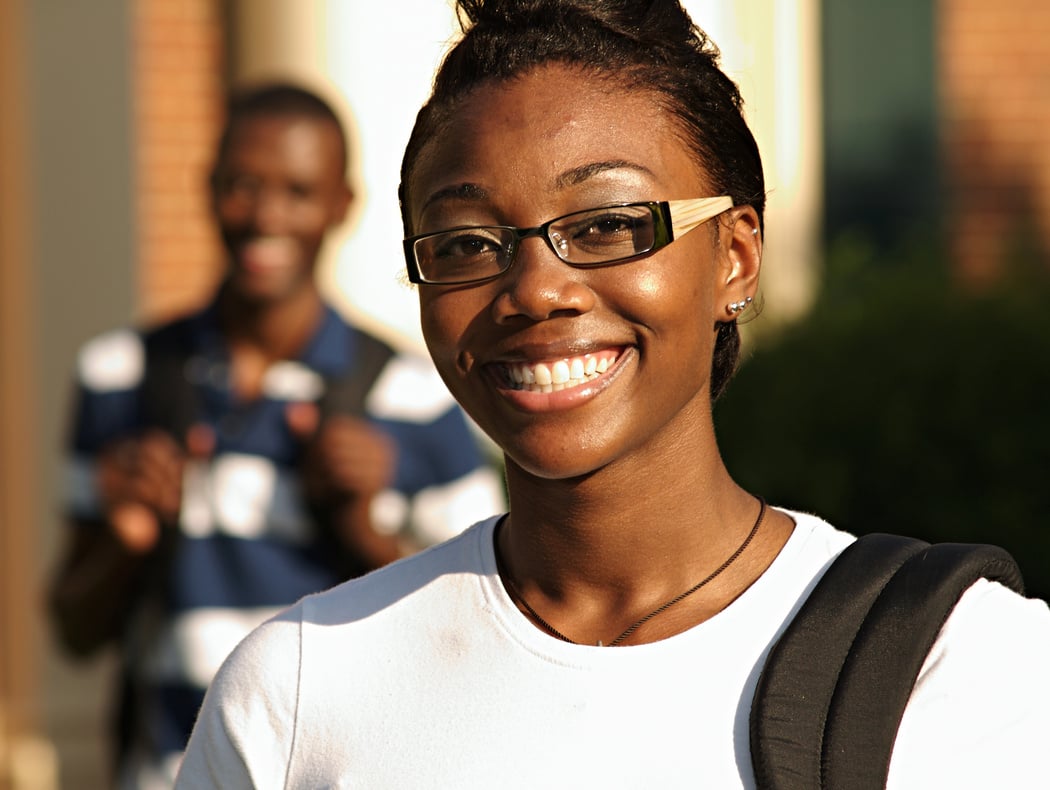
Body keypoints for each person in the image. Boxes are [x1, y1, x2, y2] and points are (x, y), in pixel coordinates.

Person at [174, 2, 1050, 787]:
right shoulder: (297, 690)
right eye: (467, 242)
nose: (535, 290)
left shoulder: (949, 664)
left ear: (735, 259)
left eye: (606, 226)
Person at [47, 82, 505, 789]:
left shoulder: (419, 394)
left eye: (297, 191)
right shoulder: (119, 377)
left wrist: (367, 535)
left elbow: (487, 629)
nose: (265, 216)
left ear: (341, 205)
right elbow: (74, 631)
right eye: (242, 186)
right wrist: (125, 538)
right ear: (206, 188)